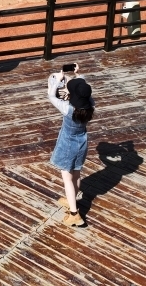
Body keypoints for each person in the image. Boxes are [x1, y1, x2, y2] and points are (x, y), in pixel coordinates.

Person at [47, 64, 95, 227]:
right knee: (76, 173)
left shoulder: (68, 109)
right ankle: (71, 199)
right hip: (82, 143)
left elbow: (51, 96)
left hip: (67, 144)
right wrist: (79, 74)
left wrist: (57, 81)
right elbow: (86, 91)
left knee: (67, 178)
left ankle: (74, 214)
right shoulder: (90, 106)